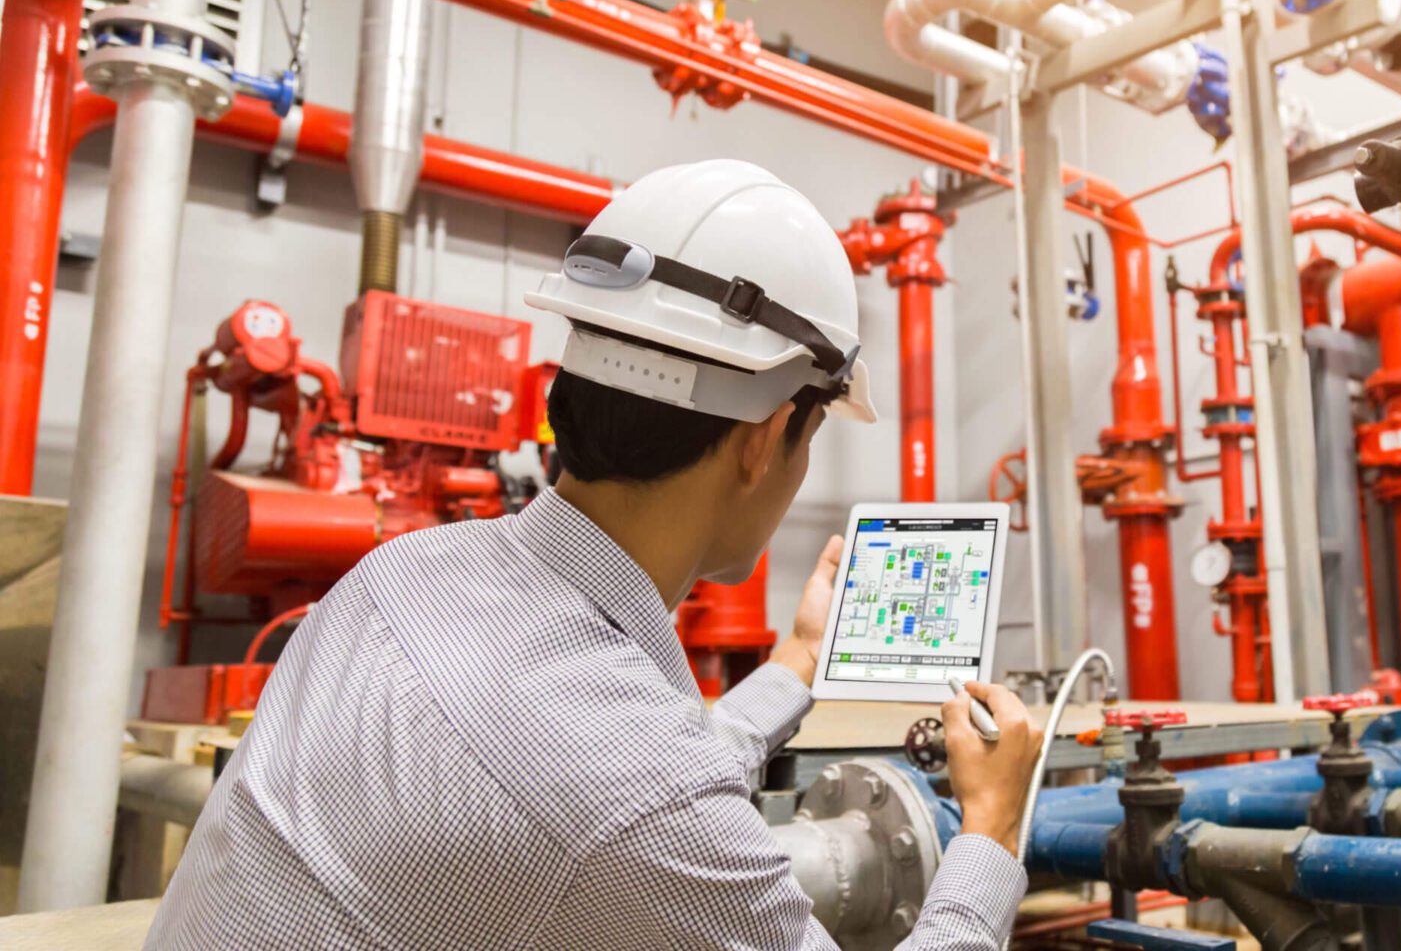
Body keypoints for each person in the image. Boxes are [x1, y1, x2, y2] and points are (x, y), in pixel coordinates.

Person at [147, 160, 1041, 949]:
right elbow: (632, 796)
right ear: (766, 440)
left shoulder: (397, 576)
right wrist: (992, 831)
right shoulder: (636, 794)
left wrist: (795, 665)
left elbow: (618, 783)